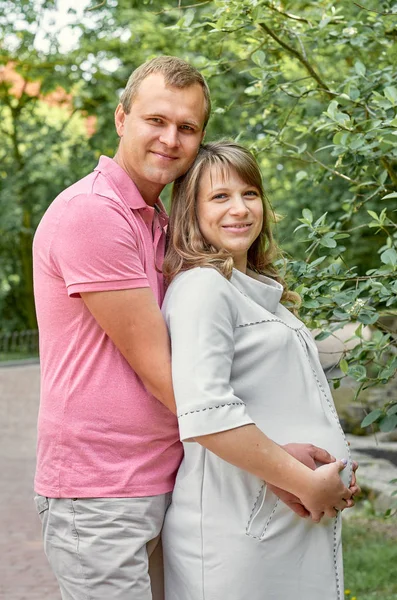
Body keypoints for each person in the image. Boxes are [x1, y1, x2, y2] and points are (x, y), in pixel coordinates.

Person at [33, 56, 357, 599]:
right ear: (120, 119)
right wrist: (287, 471)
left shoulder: (158, 223)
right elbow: (171, 380)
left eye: (187, 127)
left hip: (165, 478)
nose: (170, 139)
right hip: (102, 490)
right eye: (155, 120)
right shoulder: (94, 213)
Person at [161, 141, 357, 600]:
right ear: (191, 211)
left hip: (290, 520)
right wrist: (309, 483)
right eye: (220, 197)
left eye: (250, 194)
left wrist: (334, 473)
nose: (240, 209)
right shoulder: (202, 289)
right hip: (242, 532)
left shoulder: (255, 291)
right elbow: (205, 413)